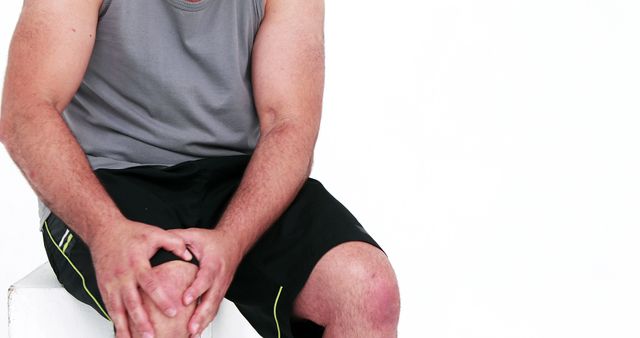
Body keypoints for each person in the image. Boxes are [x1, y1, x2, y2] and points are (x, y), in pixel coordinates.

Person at [0, 0, 401, 337]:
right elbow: (25, 111)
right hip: (111, 181)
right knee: (167, 299)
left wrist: (233, 238)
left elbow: (289, 124)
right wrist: (105, 230)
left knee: (366, 288)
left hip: (241, 182)